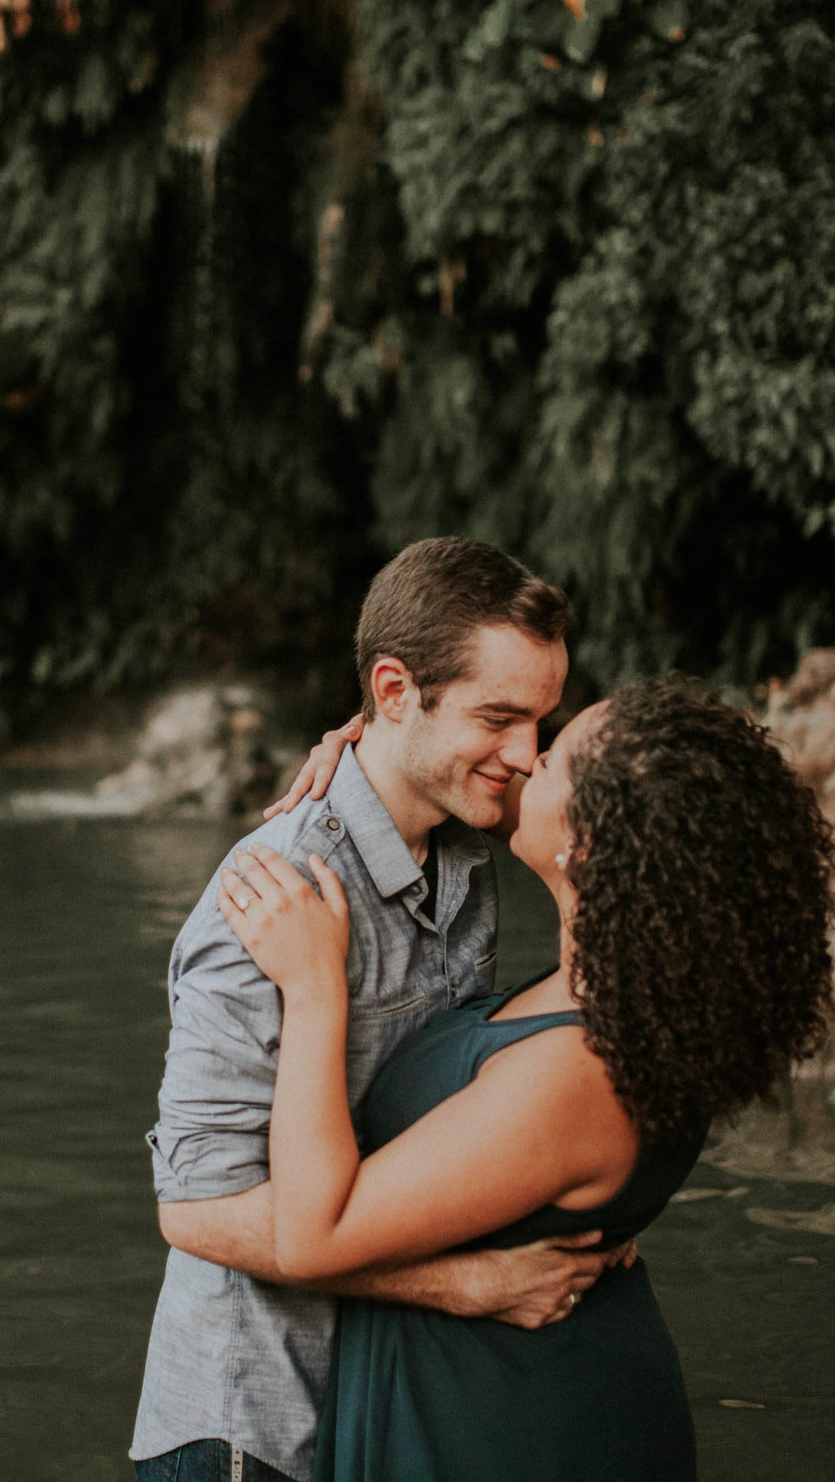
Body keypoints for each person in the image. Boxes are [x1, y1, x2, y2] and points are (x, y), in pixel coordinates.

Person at [219, 673, 835, 1480]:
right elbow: (456, 771)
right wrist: (379, 743)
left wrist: (313, 987)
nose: (526, 756)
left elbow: (310, 1234)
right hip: (538, 1389)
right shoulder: (639, 1004)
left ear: (586, 845)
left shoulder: (578, 1076)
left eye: (551, 760)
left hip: (497, 1427)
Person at [133, 537, 617, 1482]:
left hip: (383, 1413)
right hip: (253, 1430)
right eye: (500, 718)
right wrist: (465, 1284)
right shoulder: (272, 894)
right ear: (395, 691)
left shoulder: (468, 847)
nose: (525, 757)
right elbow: (195, 1211)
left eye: (540, 723)